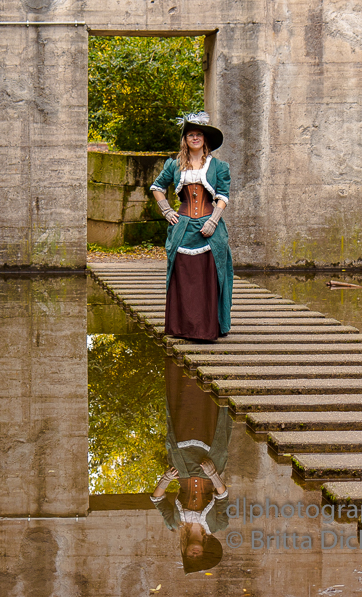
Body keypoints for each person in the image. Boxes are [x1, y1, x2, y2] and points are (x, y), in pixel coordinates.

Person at [149, 112, 234, 341]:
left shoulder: (219, 166)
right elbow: (157, 187)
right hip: (183, 227)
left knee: (208, 278)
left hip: (209, 227)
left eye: (198, 135)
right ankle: (183, 327)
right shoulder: (174, 165)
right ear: (185, 140)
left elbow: (223, 196)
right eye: (190, 135)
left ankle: (207, 328)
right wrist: (167, 211)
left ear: (205, 139)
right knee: (185, 278)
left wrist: (213, 220)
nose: (195, 138)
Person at [151, 359, 232, 574]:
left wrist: (165, 480)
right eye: (198, 556)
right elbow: (223, 498)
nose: (194, 554)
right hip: (209, 466)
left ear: (185, 550)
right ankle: (213, 365)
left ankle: (182, 363)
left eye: (190, 556)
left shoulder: (174, 524)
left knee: (184, 412)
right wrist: (213, 474)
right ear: (204, 550)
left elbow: (157, 500)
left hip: (183, 464)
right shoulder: (217, 525)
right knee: (209, 414)